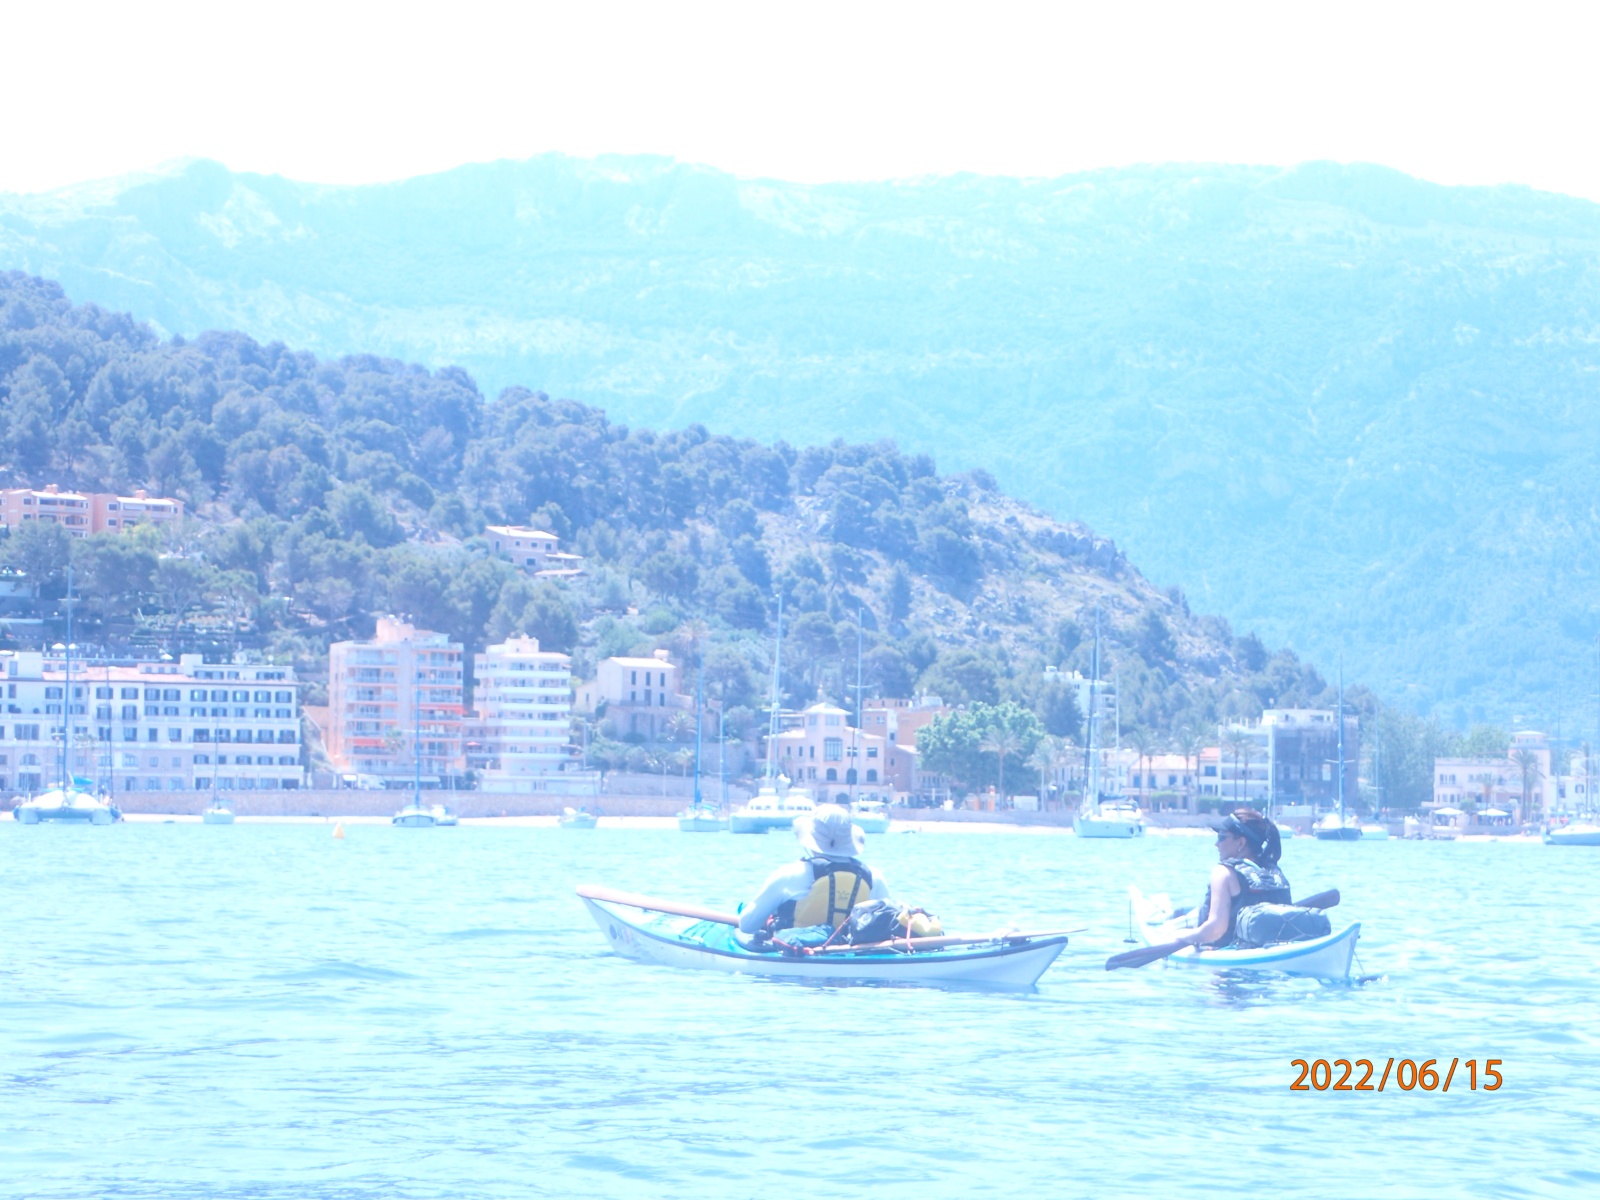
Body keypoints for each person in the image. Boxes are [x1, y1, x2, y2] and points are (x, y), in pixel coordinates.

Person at [737, 804, 890, 936]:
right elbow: (888, 924)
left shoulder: (789, 875)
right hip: (852, 956)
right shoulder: (874, 878)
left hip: (795, 955)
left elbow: (747, 926)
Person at [1176, 808, 1290, 949]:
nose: (1217, 844)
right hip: (1271, 951)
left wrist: (1180, 937)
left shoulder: (1223, 872)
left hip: (1225, 963)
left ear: (1241, 843)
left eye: (1222, 837)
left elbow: (1215, 930)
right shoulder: (1275, 872)